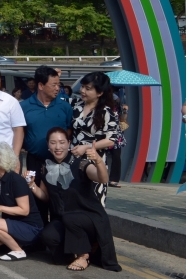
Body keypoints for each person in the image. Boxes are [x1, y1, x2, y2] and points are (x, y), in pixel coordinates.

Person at [31, 128, 121, 272]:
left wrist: (98, 160)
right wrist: (32, 186)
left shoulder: (81, 163)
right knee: (48, 236)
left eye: (62, 142)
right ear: (48, 145)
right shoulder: (45, 167)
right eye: (53, 143)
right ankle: (72, 254)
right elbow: (46, 197)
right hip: (65, 218)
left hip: (89, 217)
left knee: (71, 218)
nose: (58, 147)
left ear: (69, 143)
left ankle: (83, 255)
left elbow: (103, 179)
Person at [0, 142, 44, 262]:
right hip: (13, 225)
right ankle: (22, 245)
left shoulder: (16, 180)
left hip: (31, 228)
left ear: (4, 159)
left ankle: (18, 251)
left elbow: (24, 210)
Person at [71, 72, 118, 205]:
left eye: (88, 88)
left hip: (95, 159)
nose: (82, 91)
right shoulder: (76, 105)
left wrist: (87, 147)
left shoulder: (107, 112)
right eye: (82, 87)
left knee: (94, 198)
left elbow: (111, 139)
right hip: (74, 158)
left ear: (100, 93)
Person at [21, 66, 72, 175]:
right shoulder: (23, 106)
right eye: (54, 85)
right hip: (34, 160)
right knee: (34, 189)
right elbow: (20, 131)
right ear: (40, 85)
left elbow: (69, 130)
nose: (57, 88)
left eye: (58, 85)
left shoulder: (65, 107)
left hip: (59, 160)